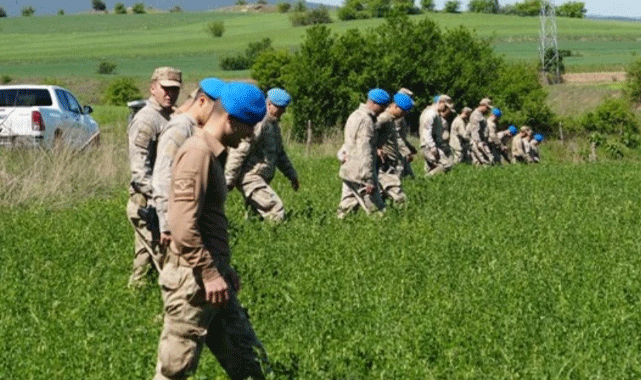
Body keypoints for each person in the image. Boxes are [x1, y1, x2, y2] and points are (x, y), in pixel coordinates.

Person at [153, 82, 269, 380]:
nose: (251, 135)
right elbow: (182, 225)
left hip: (214, 279)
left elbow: (208, 221)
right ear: (229, 119)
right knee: (174, 370)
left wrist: (222, 267)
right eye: (249, 127)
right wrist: (208, 271)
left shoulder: (213, 154)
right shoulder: (197, 154)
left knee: (245, 361)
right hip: (192, 282)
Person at [152, 78, 224, 251]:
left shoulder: (194, 128)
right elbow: (163, 175)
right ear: (201, 101)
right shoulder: (181, 128)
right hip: (174, 221)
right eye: (216, 110)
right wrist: (168, 225)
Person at [127, 66, 182, 287]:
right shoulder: (147, 120)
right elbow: (139, 171)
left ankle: (134, 297)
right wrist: (163, 197)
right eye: (165, 89)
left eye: (174, 90)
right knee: (166, 259)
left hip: (158, 200)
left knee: (144, 258)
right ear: (152, 88)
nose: (169, 94)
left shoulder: (170, 116)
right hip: (147, 201)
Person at [225, 88, 299, 222]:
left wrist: (292, 175)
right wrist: (229, 178)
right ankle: (278, 240)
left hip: (260, 177)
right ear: (269, 104)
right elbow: (241, 150)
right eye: (280, 107)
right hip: (251, 177)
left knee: (255, 219)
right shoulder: (260, 122)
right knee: (275, 209)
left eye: (284, 108)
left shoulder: (274, 125)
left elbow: (280, 154)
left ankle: (253, 239)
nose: (283, 111)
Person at [337, 88, 389, 218]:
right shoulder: (366, 121)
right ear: (374, 104)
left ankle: (339, 230)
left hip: (348, 169)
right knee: (378, 212)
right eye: (383, 106)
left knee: (346, 209)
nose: (384, 110)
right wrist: (369, 180)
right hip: (360, 172)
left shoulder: (354, 115)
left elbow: (348, 143)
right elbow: (365, 151)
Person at [375, 92, 414, 205]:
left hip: (390, 162)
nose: (404, 114)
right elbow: (370, 132)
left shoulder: (391, 119)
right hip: (384, 163)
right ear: (395, 106)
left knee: (381, 195)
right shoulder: (384, 118)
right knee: (398, 194)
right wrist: (377, 148)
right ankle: (406, 216)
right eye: (403, 111)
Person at [419, 94, 455, 175]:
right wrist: (432, 147)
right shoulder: (431, 114)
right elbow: (427, 132)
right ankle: (427, 178)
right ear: (441, 102)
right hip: (429, 146)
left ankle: (428, 181)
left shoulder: (435, 114)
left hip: (431, 145)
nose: (445, 110)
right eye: (445, 107)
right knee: (446, 164)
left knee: (433, 166)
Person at [395, 88, 417, 178]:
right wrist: (406, 151)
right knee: (398, 172)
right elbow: (396, 136)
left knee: (409, 175)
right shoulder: (397, 116)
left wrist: (409, 146)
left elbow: (401, 136)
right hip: (396, 150)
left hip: (401, 149)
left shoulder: (401, 116)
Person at [468, 98, 493, 166]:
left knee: (480, 163)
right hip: (477, 143)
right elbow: (475, 130)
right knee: (486, 162)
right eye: (487, 108)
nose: (488, 110)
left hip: (481, 141)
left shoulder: (481, 115)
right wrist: (479, 143)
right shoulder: (476, 115)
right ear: (482, 105)